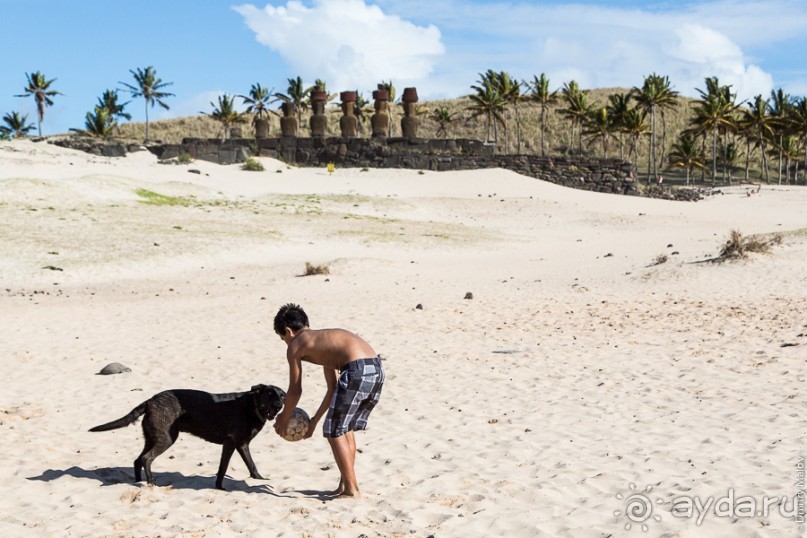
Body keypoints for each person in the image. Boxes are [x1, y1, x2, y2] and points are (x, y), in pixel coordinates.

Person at [272, 303, 384, 497]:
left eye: (283, 339)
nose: (286, 343)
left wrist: (285, 416)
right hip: (376, 369)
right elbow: (332, 390)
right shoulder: (325, 343)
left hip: (356, 370)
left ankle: (351, 490)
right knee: (344, 428)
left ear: (288, 331)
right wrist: (314, 421)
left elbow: (295, 390)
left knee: (334, 432)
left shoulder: (296, 344)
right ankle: (346, 485)